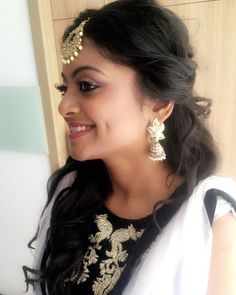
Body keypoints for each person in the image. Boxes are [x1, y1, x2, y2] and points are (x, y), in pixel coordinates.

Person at [23, 0, 236, 294]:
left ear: (159, 103)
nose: (63, 106)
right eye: (64, 88)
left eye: (86, 85)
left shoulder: (210, 220)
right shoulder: (71, 191)